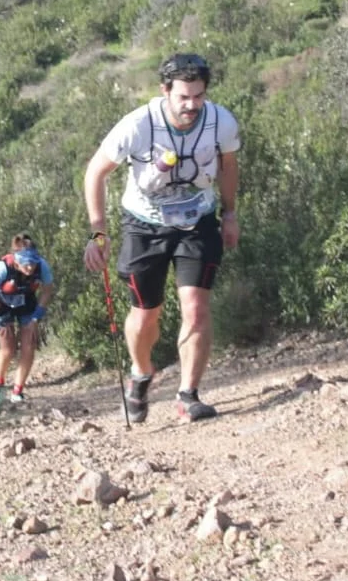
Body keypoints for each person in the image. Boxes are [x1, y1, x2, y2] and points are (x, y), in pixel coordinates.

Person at [82, 52, 240, 424]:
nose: (191, 105)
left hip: (198, 221)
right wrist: (98, 231)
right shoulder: (138, 125)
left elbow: (229, 166)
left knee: (196, 307)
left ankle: (188, 395)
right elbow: (95, 173)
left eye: (198, 96)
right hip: (144, 226)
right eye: (183, 97)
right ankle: (140, 373)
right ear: (165, 91)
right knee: (145, 313)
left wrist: (230, 213)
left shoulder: (220, 122)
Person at [0, 236, 55, 404]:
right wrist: (1, 312)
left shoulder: (42, 266)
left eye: (33, 263)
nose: (30, 267)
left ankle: (18, 390)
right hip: (2, 303)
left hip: (26, 302)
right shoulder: (3, 268)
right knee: (8, 348)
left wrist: (36, 317)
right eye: (26, 263)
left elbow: (47, 290)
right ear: (16, 260)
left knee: (29, 345)